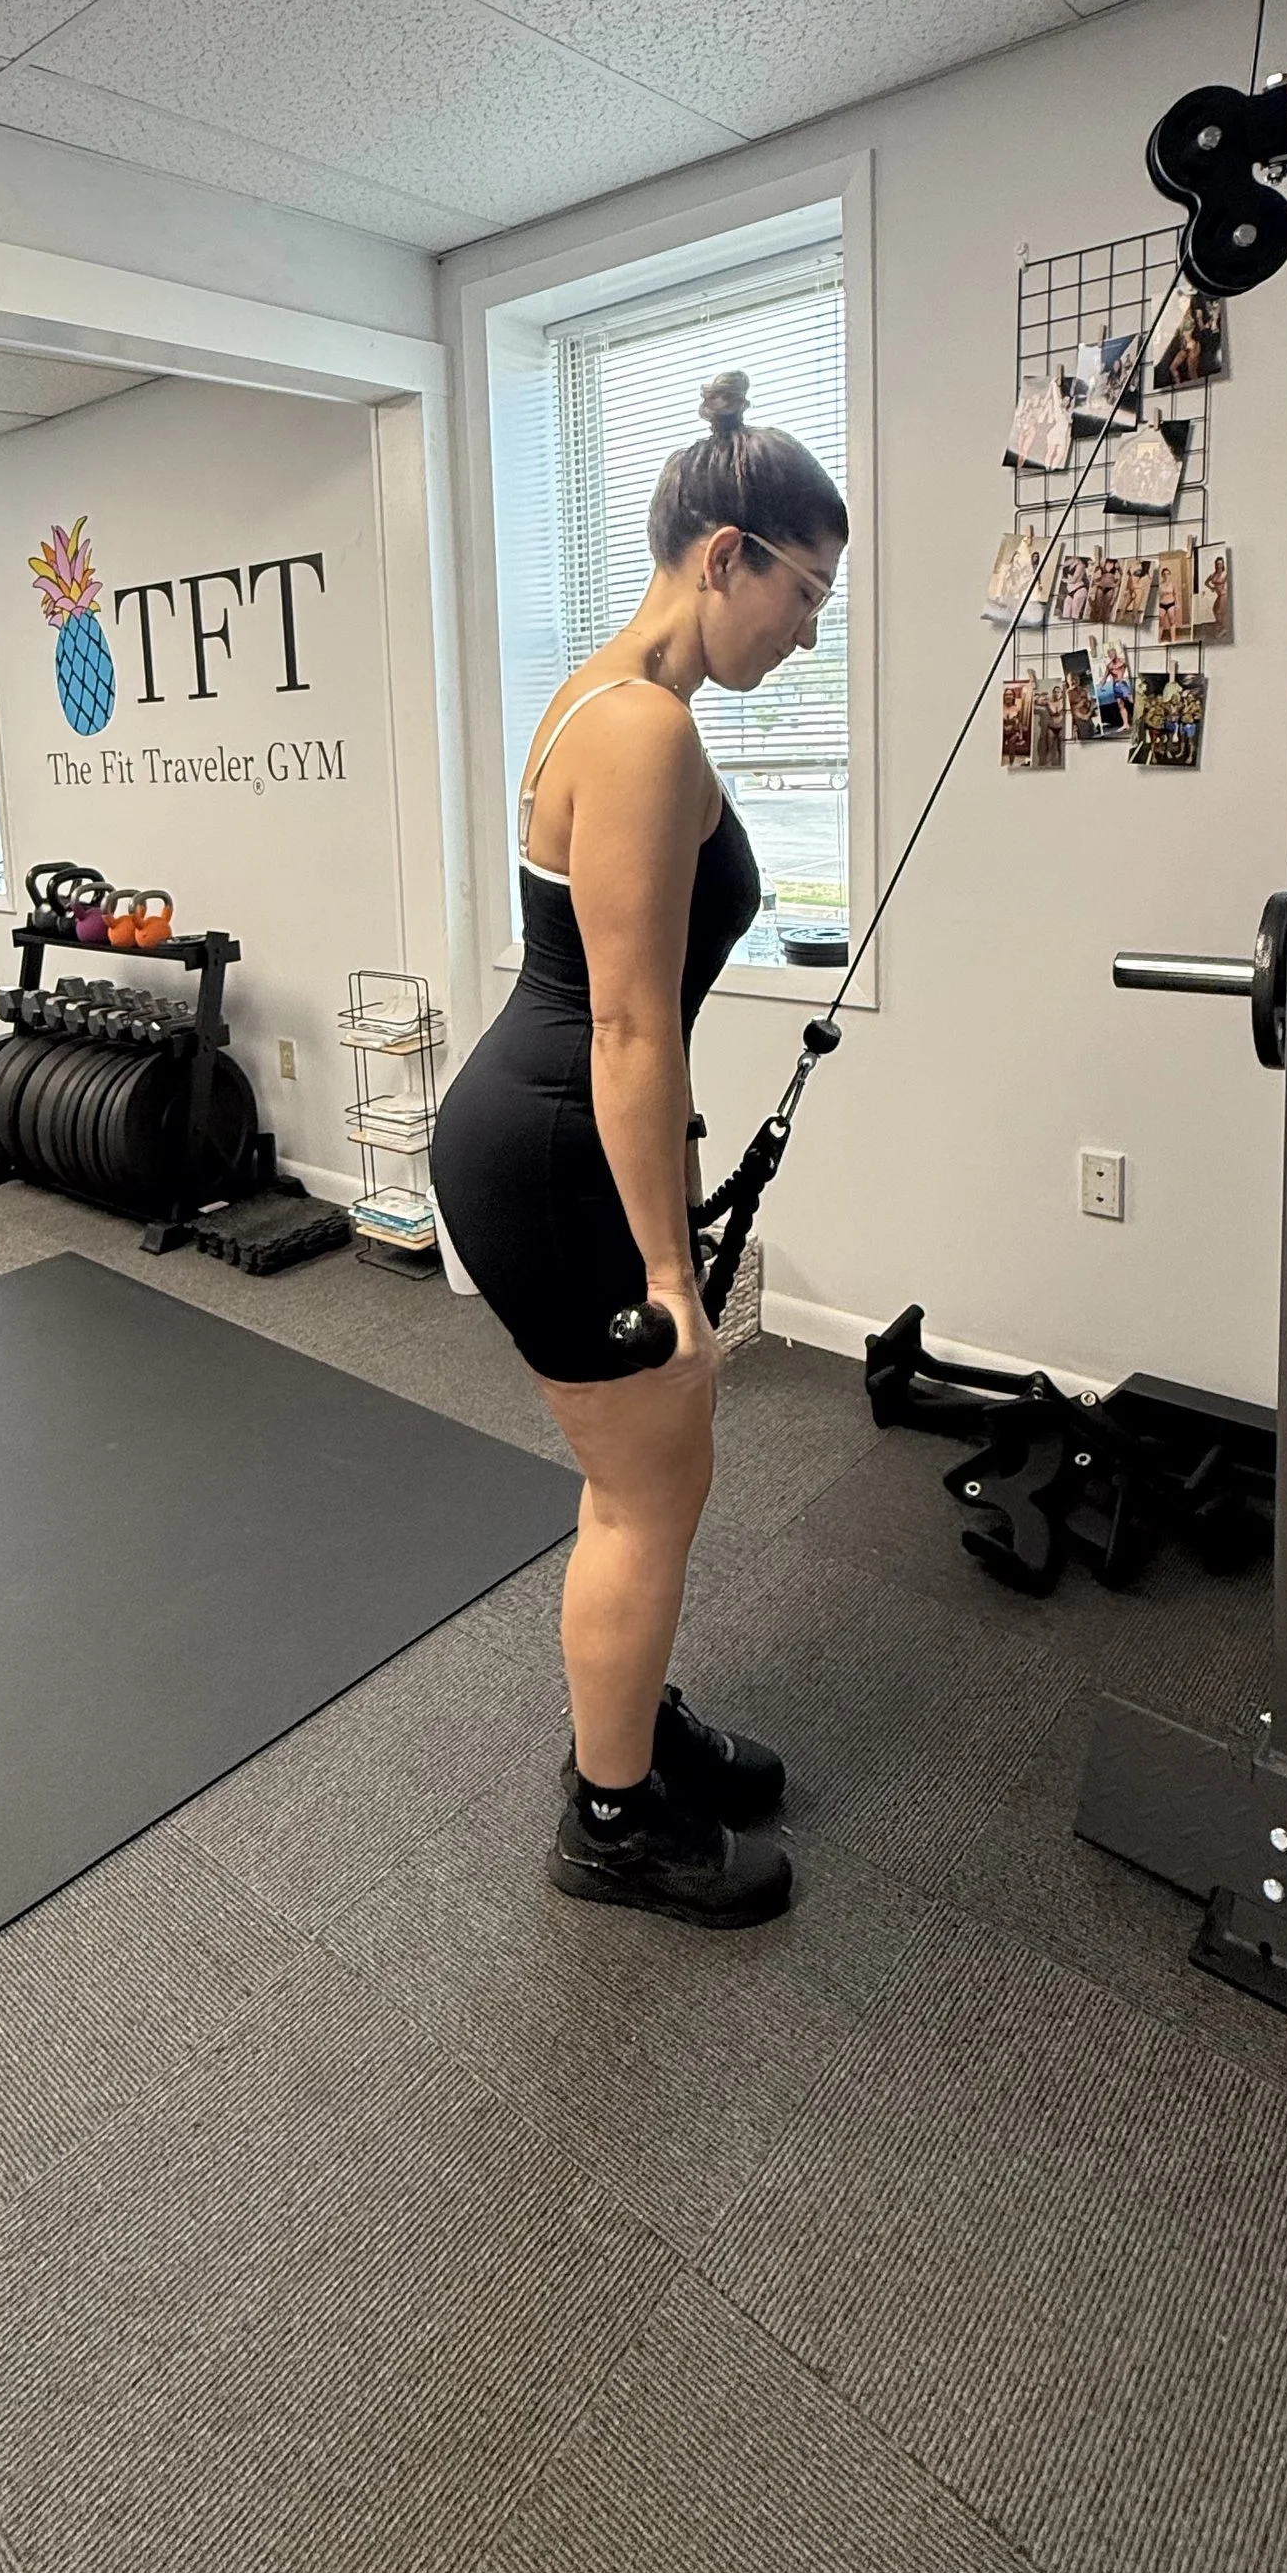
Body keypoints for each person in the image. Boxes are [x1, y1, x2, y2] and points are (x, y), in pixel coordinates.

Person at [430, 369, 847, 1930]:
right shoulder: (648, 730)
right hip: (552, 1147)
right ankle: (609, 1821)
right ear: (727, 553)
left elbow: (641, 978)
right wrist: (672, 1267)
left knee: (650, 1480)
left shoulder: (604, 693)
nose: (810, 634)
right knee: (643, 1494)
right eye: (806, 595)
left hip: (544, 1129)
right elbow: (626, 1026)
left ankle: (634, 1720)